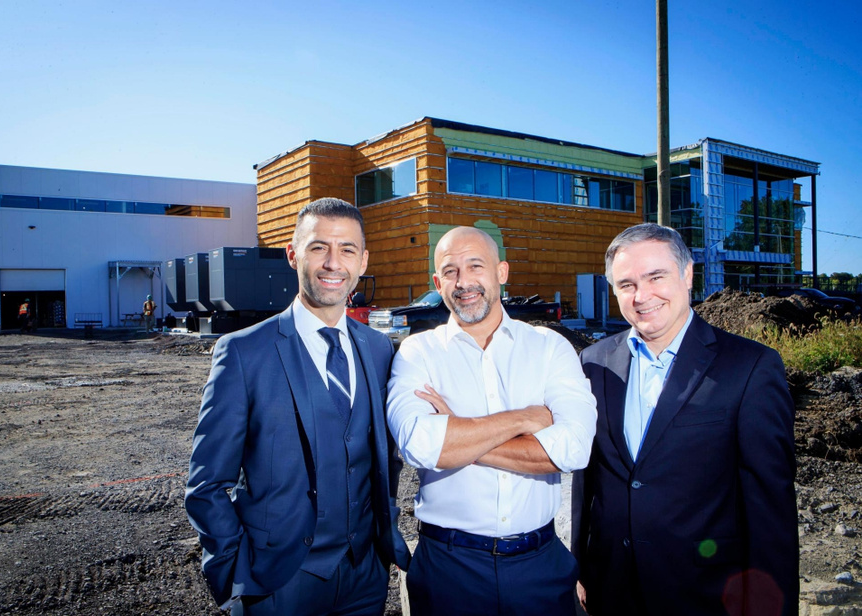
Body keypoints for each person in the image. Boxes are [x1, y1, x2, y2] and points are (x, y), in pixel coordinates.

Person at [185, 198, 410, 616]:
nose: (333, 263)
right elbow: (207, 485)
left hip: (366, 578)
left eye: (346, 250)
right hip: (278, 583)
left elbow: (384, 458)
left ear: (363, 261)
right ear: (293, 255)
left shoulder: (379, 349)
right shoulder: (242, 352)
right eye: (318, 247)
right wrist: (234, 573)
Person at [571, 223, 798, 615]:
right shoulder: (593, 363)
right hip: (612, 590)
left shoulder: (749, 368)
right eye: (626, 284)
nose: (642, 296)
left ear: (687, 273)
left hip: (706, 595)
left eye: (655, 277)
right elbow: (588, 481)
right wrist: (579, 564)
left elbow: (770, 512)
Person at [387, 226, 597, 615]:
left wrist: (457, 431)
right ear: (437, 282)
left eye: (475, 266)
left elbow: (573, 448)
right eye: (450, 271)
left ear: (501, 272)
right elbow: (420, 443)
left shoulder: (549, 347)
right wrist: (523, 419)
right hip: (449, 569)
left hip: (540, 567)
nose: (464, 281)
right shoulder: (419, 352)